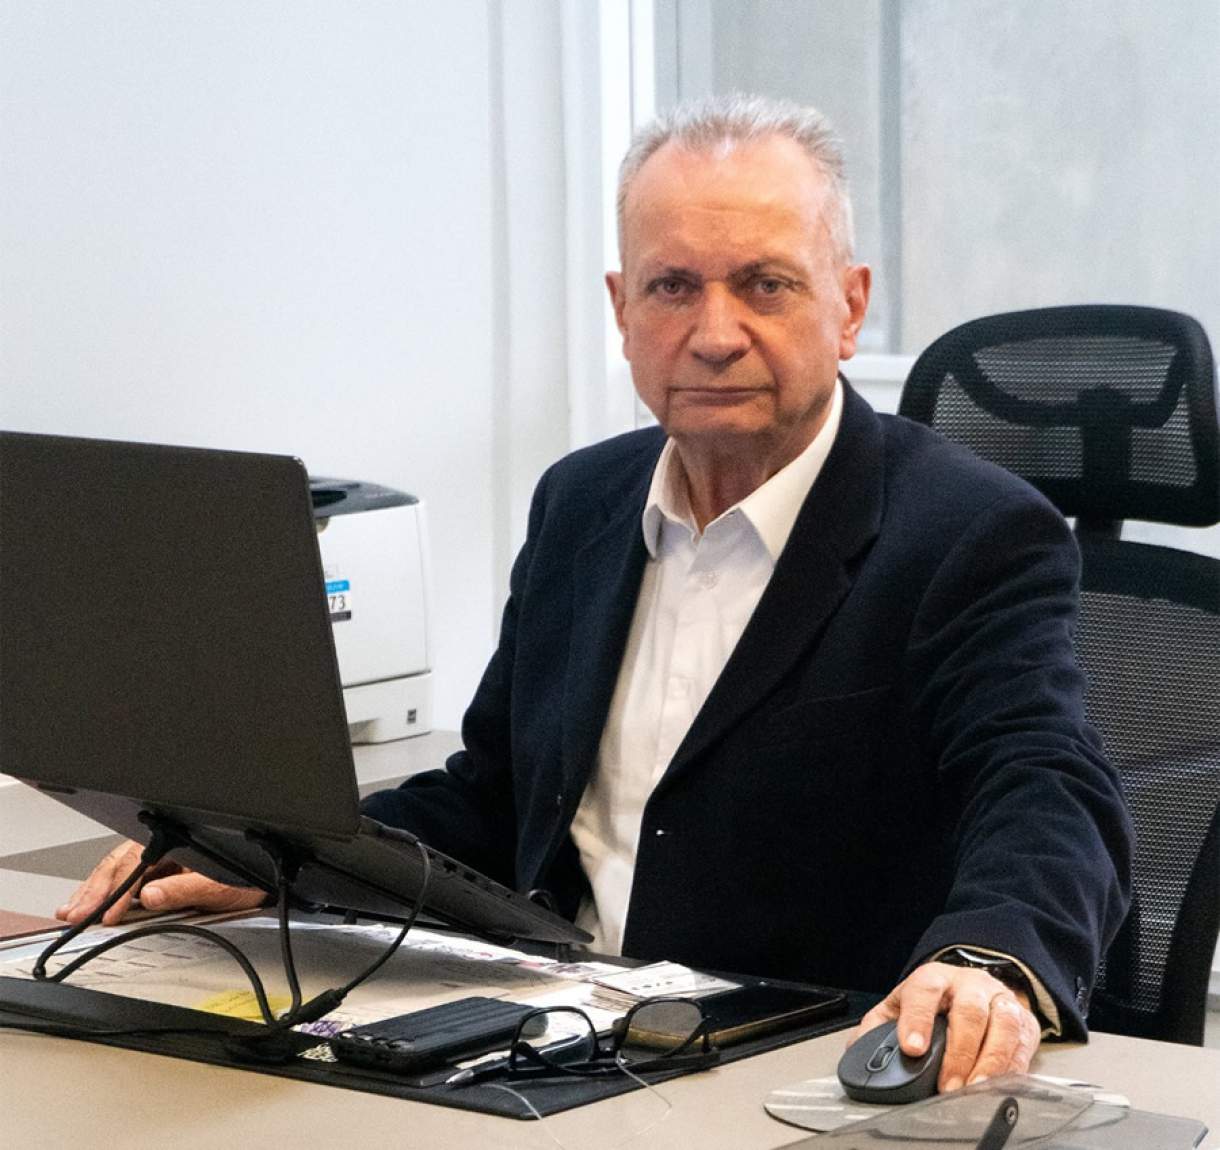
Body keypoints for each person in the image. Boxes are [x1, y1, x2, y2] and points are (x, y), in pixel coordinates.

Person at [60, 94, 1132, 1094]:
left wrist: (991, 960)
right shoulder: (580, 503)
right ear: (622, 311)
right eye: (673, 287)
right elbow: (493, 799)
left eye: (764, 284)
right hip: (552, 1050)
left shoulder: (970, 534)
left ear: (847, 307)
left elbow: (1047, 785)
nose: (714, 332)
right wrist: (265, 853)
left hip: (789, 1067)